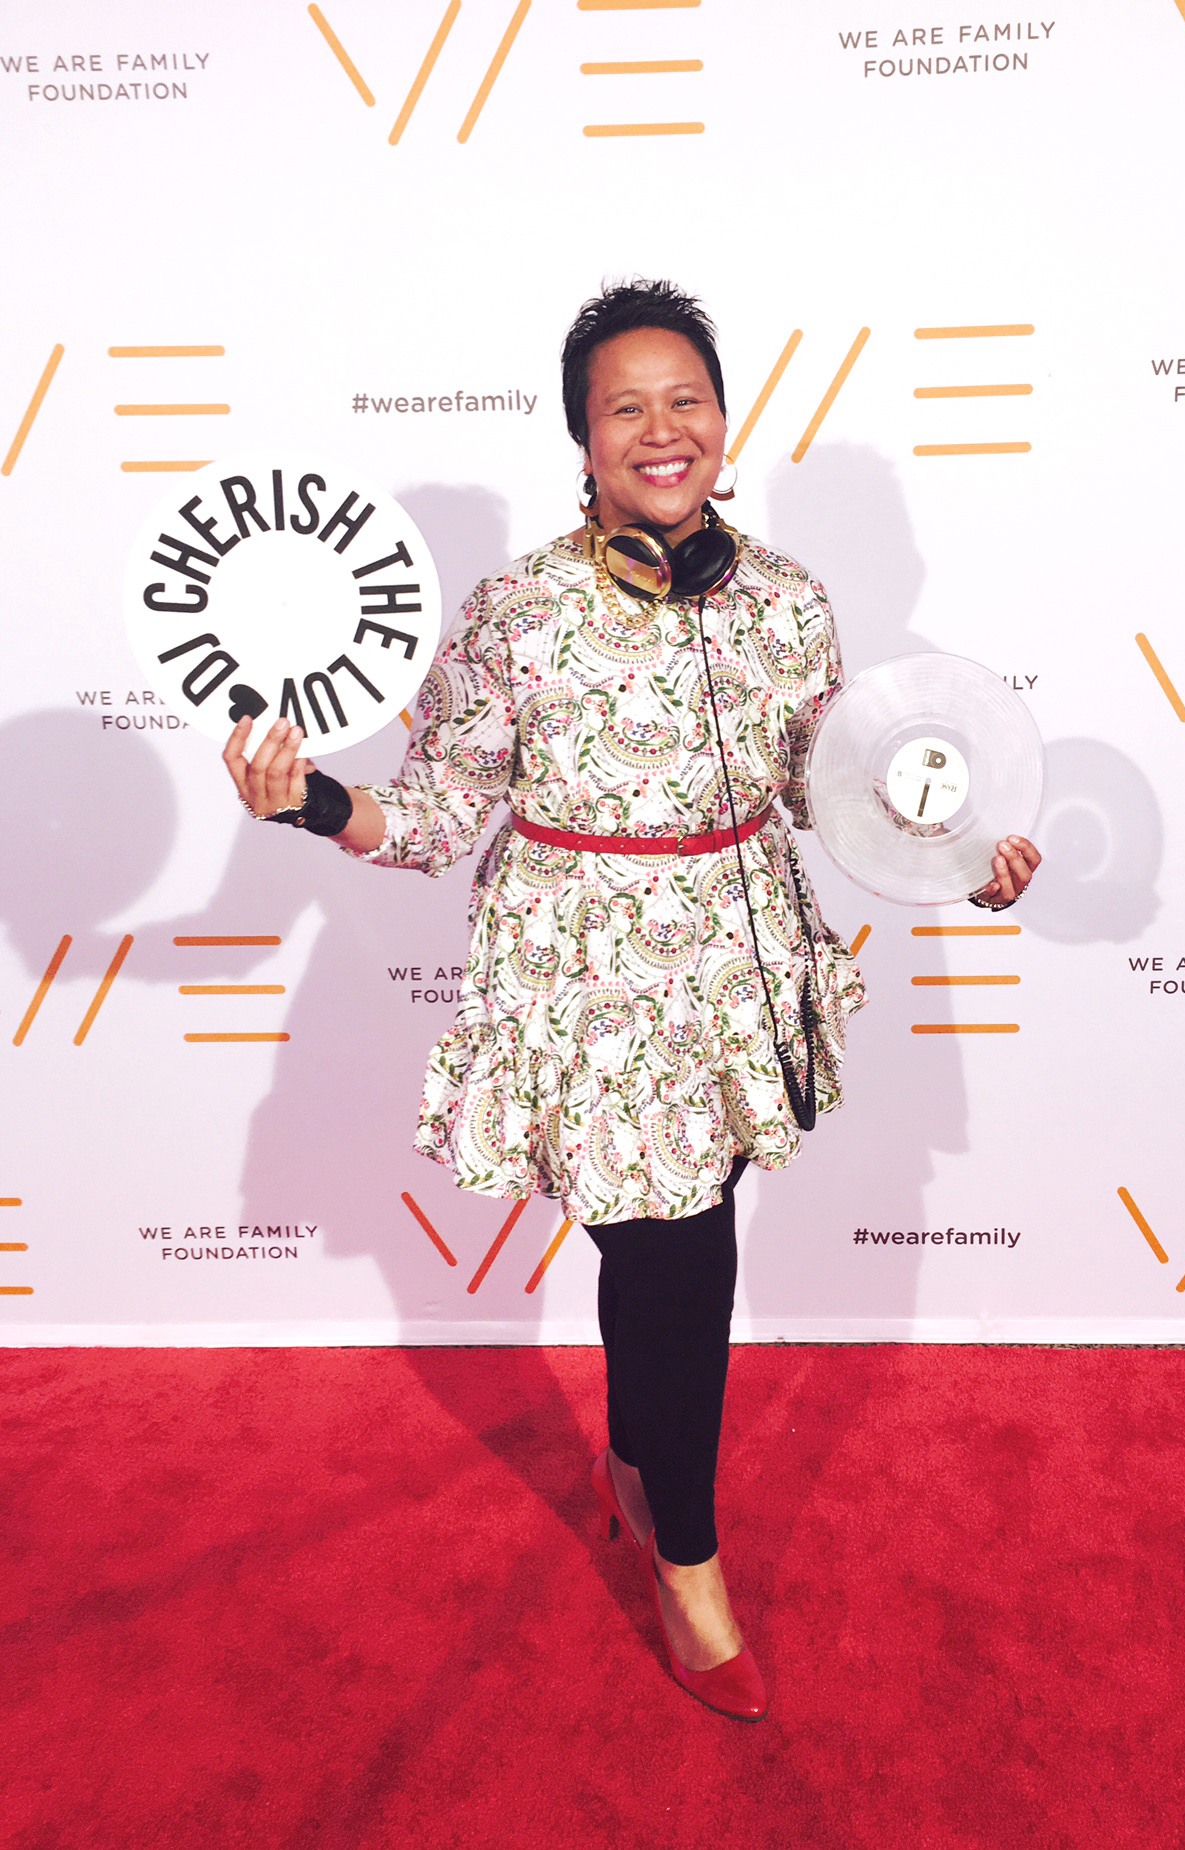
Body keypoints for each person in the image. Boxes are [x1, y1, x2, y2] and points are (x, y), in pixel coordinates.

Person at [224, 280, 1042, 1720]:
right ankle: (690, 1557)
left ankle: (634, 1461)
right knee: (681, 1260)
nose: (663, 431)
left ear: (723, 422)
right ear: (584, 442)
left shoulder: (786, 598)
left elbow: (831, 792)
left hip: (733, 971)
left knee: (669, 1251)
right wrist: (312, 801)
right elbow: (437, 813)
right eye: (627, 408)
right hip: (589, 976)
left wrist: (965, 857)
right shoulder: (517, 609)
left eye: (686, 400)